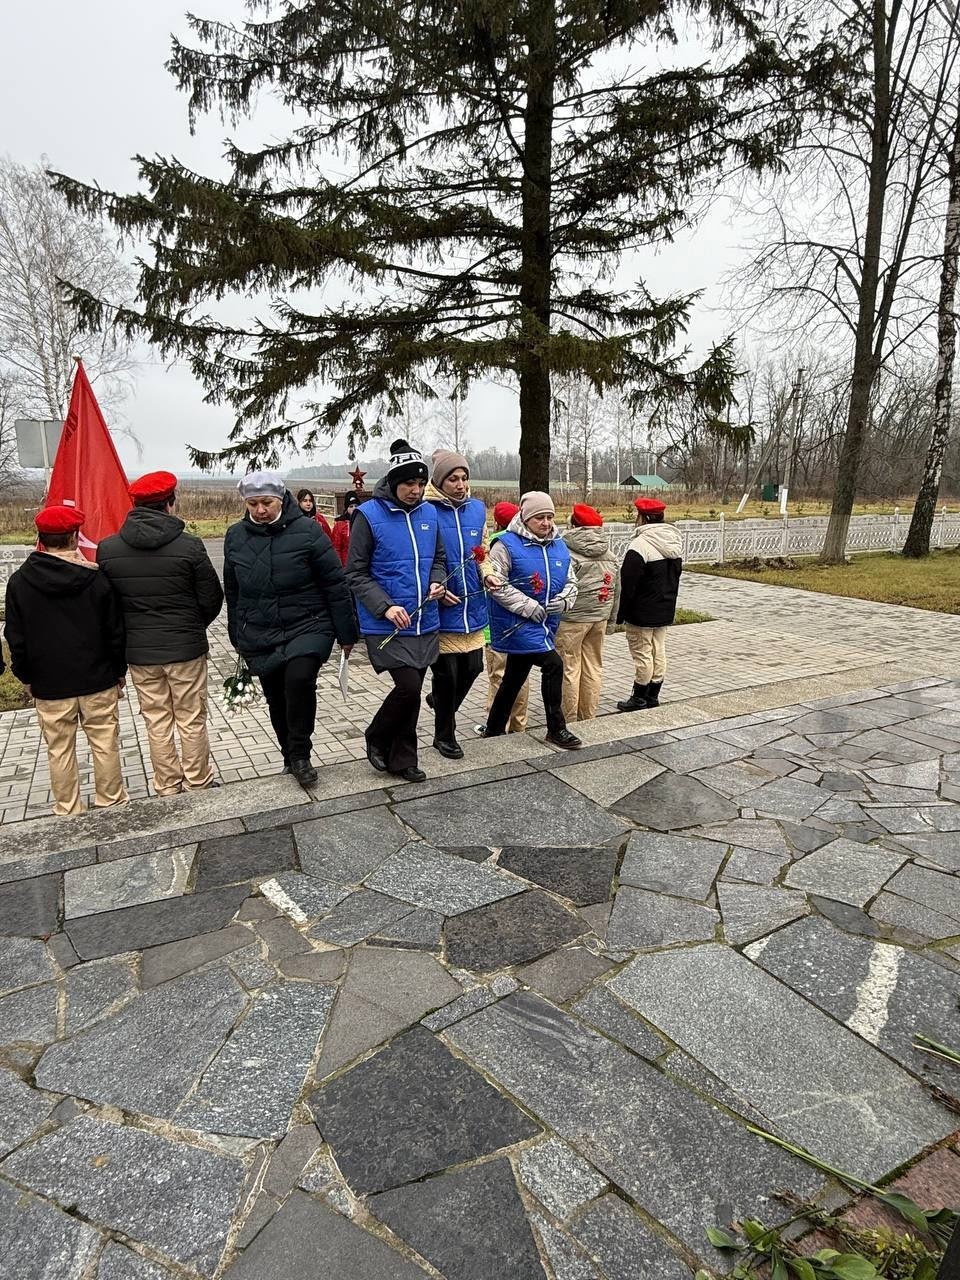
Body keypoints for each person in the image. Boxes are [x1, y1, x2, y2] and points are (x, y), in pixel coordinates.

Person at [224, 471, 358, 787]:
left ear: (281, 499)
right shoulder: (235, 536)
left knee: (299, 681)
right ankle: (288, 754)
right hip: (260, 629)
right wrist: (236, 632)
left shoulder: (309, 531)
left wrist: (346, 633)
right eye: (253, 504)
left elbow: (334, 584)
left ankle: (300, 754)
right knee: (275, 695)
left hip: (308, 624)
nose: (260, 510)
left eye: (266, 503)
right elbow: (233, 589)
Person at [98, 471, 224, 797]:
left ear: (135, 505)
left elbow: (109, 607)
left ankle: (167, 785)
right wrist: (191, 626)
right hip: (185, 650)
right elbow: (212, 598)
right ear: (170, 502)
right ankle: (198, 781)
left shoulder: (108, 549)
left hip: (140, 652)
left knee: (156, 719)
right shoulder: (190, 546)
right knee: (191, 718)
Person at [5, 506, 127, 816]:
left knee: (59, 750)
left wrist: (26, 676)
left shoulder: (19, 582)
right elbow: (115, 631)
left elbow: (15, 637)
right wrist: (118, 671)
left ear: (40, 539)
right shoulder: (97, 579)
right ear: (74, 537)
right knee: (105, 744)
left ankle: (68, 809)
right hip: (97, 679)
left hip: (49, 684)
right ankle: (111, 803)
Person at [346, 439, 446, 782]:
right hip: (387, 624)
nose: (416, 491)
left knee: (412, 694)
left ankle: (403, 759)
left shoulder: (430, 513)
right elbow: (355, 573)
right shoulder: (368, 515)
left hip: (424, 620)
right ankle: (376, 735)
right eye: (409, 484)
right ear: (392, 483)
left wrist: (437, 582)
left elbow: (439, 559)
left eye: (421, 483)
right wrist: (386, 607)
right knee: (408, 687)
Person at [484, 492, 582, 749]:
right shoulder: (505, 544)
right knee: (553, 664)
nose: (546, 523)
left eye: (550, 517)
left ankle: (493, 729)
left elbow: (571, 580)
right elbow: (496, 584)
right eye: (540, 517)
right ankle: (556, 729)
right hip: (517, 623)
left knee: (513, 678)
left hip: (546, 623)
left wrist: (564, 600)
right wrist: (528, 607)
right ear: (525, 518)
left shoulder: (558, 544)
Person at [425, 451, 499, 758]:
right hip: (442, 604)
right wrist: (436, 587)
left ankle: (440, 704)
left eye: (464, 478)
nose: (460, 485)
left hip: (472, 602)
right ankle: (444, 735)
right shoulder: (425, 510)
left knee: (473, 667)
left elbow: (482, 551)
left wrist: (488, 574)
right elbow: (421, 558)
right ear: (439, 481)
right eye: (453, 479)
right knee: (447, 675)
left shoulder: (477, 509)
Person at [616, 496, 683, 711]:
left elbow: (628, 583)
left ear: (642, 518)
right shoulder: (673, 541)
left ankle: (639, 697)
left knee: (642, 653)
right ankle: (653, 695)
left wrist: (620, 614)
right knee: (658, 650)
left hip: (641, 612)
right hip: (664, 607)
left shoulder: (640, 545)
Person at [555, 503, 619, 722]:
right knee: (593, 666)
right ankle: (588, 716)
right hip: (599, 618)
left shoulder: (565, 552)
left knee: (569, 668)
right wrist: (611, 620)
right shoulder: (609, 554)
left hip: (571, 619)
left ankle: (568, 719)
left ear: (573, 525)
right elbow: (616, 590)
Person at [479, 501, 529, 734]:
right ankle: (519, 724)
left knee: (498, 678)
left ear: (497, 523)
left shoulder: (492, 548)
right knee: (520, 676)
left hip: (496, 626)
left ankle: (496, 726)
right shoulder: (527, 546)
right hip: (522, 624)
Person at [330, 491, 359, 567]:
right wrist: (339, 566)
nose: (354, 508)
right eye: (351, 506)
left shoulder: (363, 522)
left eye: (356, 506)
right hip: (345, 564)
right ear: (346, 508)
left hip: (360, 563)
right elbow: (336, 548)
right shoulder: (340, 524)